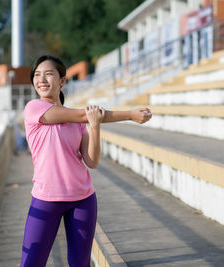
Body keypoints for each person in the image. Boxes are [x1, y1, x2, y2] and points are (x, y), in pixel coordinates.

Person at [21, 55, 152, 267]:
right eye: (36, 75)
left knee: (80, 263)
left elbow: (91, 161)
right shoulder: (33, 108)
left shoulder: (78, 121)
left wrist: (95, 126)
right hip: (46, 198)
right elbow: (83, 115)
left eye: (48, 74)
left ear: (62, 81)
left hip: (82, 198)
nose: (41, 80)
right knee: (31, 263)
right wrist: (129, 114)